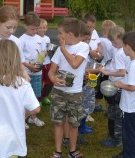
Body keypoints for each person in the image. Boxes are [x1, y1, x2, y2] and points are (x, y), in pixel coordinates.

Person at [48, 17, 89, 158]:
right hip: (59, 92)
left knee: (74, 124)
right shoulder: (60, 50)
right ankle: (58, 151)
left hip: (75, 93)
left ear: (70, 35)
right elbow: (51, 71)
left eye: (60, 33)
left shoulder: (83, 47)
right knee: (58, 122)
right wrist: (53, 78)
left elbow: (75, 64)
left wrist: (63, 49)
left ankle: (72, 150)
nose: (58, 36)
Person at [113, 31, 135, 158]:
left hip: (130, 106)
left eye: (123, 46)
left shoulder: (133, 65)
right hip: (133, 103)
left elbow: (132, 87)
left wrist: (120, 85)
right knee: (128, 131)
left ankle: (129, 155)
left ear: (128, 47)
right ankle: (126, 152)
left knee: (128, 133)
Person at [100, 25, 130, 147]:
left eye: (114, 42)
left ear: (121, 38)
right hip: (117, 87)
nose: (112, 44)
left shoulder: (120, 53)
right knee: (112, 112)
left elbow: (122, 72)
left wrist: (108, 72)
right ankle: (112, 134)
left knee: (117, 115)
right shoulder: (123, 50)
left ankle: (117, 140)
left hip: (118, 88)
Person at [19, 12, 45, 127]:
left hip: (37, 72)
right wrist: (29, 66)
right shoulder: (21, 40)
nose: (35, 31)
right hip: (26, 73)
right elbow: (19, 57)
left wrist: (40, 63)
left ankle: (33, 117)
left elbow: (42, 53)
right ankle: (22, 119)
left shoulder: (40, 38)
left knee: (35, 95)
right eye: (32, 29)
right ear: (25, 26)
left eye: (36, 29)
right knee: (25, 96)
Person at [94, 20, 116, 112]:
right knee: (108, 89)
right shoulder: (112, 44)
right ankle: (108, 108)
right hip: (108, 70)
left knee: (98, 88)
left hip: (99, 68)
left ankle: (96, 104)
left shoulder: (99, 41)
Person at [37, 18, 53, 105]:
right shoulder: (35, 38)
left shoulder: (47, 38)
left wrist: (50, 51)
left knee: (50, 81)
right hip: (39, 64)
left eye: (44, 27)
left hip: (47, 63)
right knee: (39, 82)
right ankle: (38, 99)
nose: (42, 29)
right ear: (36, 28)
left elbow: (48, 49)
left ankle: (44, 96)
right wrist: (43, 55)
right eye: (40, 27)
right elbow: (37, 54)